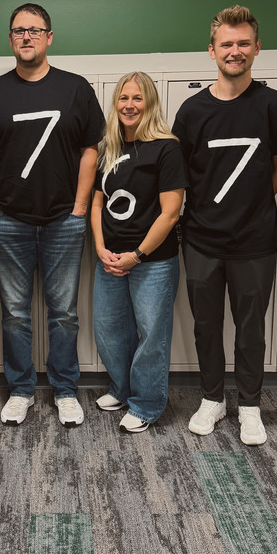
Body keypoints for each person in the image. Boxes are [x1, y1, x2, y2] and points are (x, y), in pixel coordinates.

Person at [0, 3, 104, 427]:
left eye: (35, 30)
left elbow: (90, 150)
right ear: (10, 39)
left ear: (49, 37)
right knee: (15, 313)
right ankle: (21, 389)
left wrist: (80, 207)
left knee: (64, 313)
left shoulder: (76, 89)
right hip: (9, 222)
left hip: (64, 220)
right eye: (19, 31)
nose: (27, 37)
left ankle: (64, 390)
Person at [172, 5, 277, 445]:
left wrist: (252, 201)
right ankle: (212, 399)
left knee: (250, 327)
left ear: (257, 49)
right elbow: (182, 173)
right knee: (206, 325)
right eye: (226, 44)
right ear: (211, 51)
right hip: (202, 239)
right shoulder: (192, 111)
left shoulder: (273, 105)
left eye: (243, 43)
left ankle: (249, 406)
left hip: (254, 241)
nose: (235, 51)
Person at [91, 73, 186, 433]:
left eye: (138, 99)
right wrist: (100, 247)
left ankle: (146, 404)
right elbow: (97, 202)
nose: (129, 105)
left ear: (150, 104)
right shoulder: (109, 147)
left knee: (151, 334)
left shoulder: (166, 147)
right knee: (110, 329)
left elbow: (170, 212)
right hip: (110, 258)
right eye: (123, 98)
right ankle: (122, 389)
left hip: (152, 262)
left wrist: (138, 255)